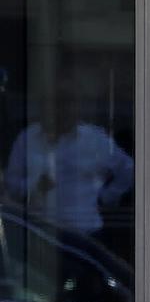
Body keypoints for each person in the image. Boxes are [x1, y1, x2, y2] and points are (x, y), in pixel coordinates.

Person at [5, 82, 133, 238]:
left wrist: (105, 197)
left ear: (76, 108)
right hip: (38, 235)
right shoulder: (27, 139)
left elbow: (128, 169)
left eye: (66, 104)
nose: (60, 111)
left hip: (84, 236)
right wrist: (34, 186)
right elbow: (11, 183)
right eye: (54, 104)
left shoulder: (95, 140)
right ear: (43, 108)